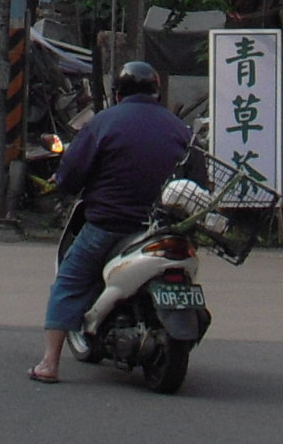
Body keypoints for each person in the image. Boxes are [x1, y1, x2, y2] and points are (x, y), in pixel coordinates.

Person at [29, 60, 189, 384]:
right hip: (165, 228)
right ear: (157, 93)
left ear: (118, 94)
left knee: (70, 282)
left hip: (109, 224)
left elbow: (73, 173)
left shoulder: (104, 122)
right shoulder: (178, 128)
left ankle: (49, 363)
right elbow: (196, 178)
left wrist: (61, 181)